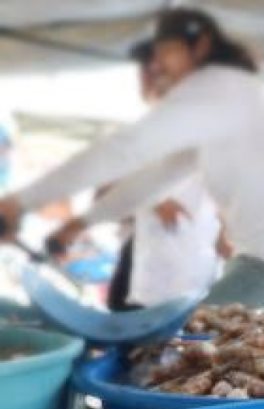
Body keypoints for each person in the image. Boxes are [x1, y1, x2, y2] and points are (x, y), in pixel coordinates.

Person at [0, 8, 264, 314]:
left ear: (200, 46)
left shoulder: (215, 89)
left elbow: (124, 149)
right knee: (189, 351)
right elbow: (152, 181)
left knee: (190, 353)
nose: (158, 66)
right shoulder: (220, 102)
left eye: (167, 52)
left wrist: (20, 202)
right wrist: (82, 223)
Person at [53, 40, 222, 310]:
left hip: (189, 272)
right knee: (130, 332)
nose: (149, 78)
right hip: (146, 266)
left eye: (159, 70)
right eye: (148, 70)